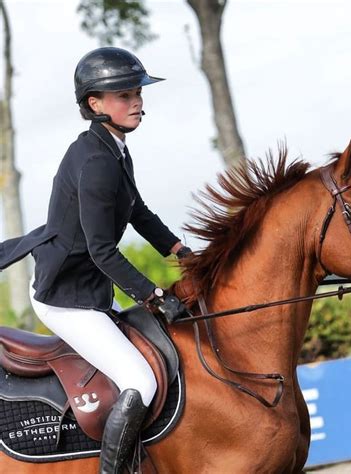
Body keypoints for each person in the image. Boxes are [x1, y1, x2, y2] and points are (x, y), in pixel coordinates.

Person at [0, 47, 191, 473]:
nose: (137, 100)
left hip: (89, 289)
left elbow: (138, 211)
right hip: (65, 297)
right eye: (124, 94)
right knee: (139, 381)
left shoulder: (113, 149)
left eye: (137, 91)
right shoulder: (96, 162)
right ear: (95, 103)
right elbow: (102, 250)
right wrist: (154, 295)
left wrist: (180, 251)